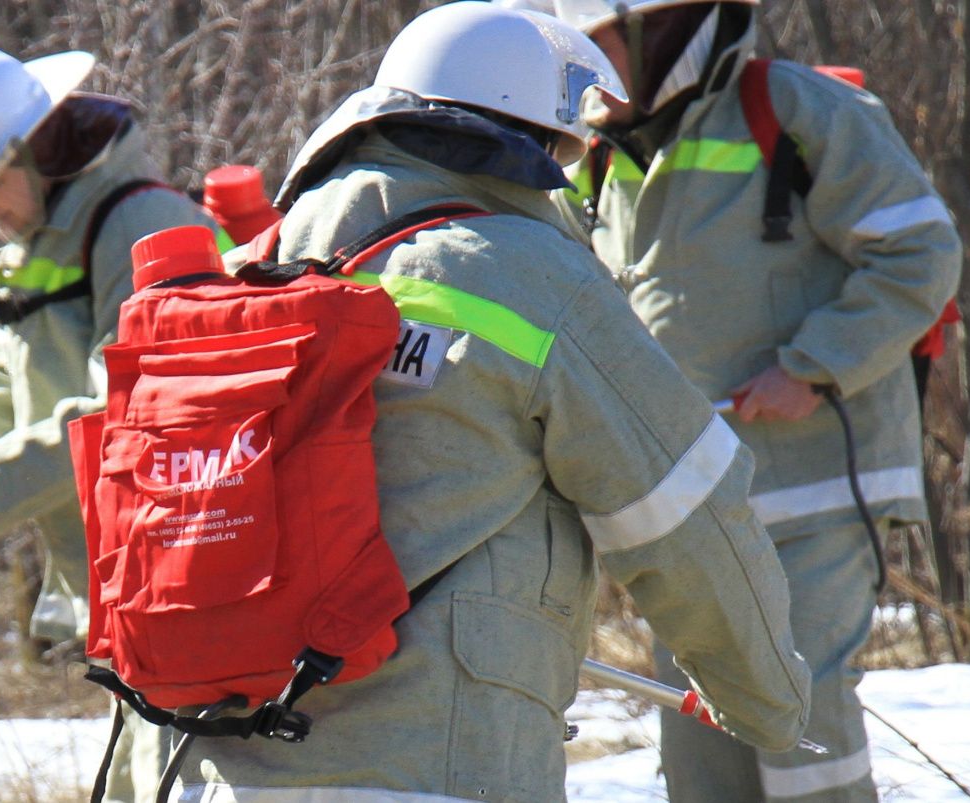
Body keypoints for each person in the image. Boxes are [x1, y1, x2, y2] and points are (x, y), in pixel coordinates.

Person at [170, 3, 811, 800]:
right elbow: (688, 513)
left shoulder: (249, 275)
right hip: (437, 768)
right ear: (539, 146)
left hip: (214, 772)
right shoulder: (526, 273)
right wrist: (771, 701)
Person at [549, 1, 964, 800]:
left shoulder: (804, 111)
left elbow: (920, 252)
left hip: (811, 490)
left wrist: (813, 368)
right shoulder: (596, 157)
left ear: (656, 31)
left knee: (797, 714)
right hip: (685, 507)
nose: (582, 66)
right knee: (702, 724)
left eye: (593, 43)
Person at [0, 45, 220, 803]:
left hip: (179, 589)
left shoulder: (141, 223)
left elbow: (131, 412)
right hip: (117, 600)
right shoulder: (37, 238)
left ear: (32, 148)